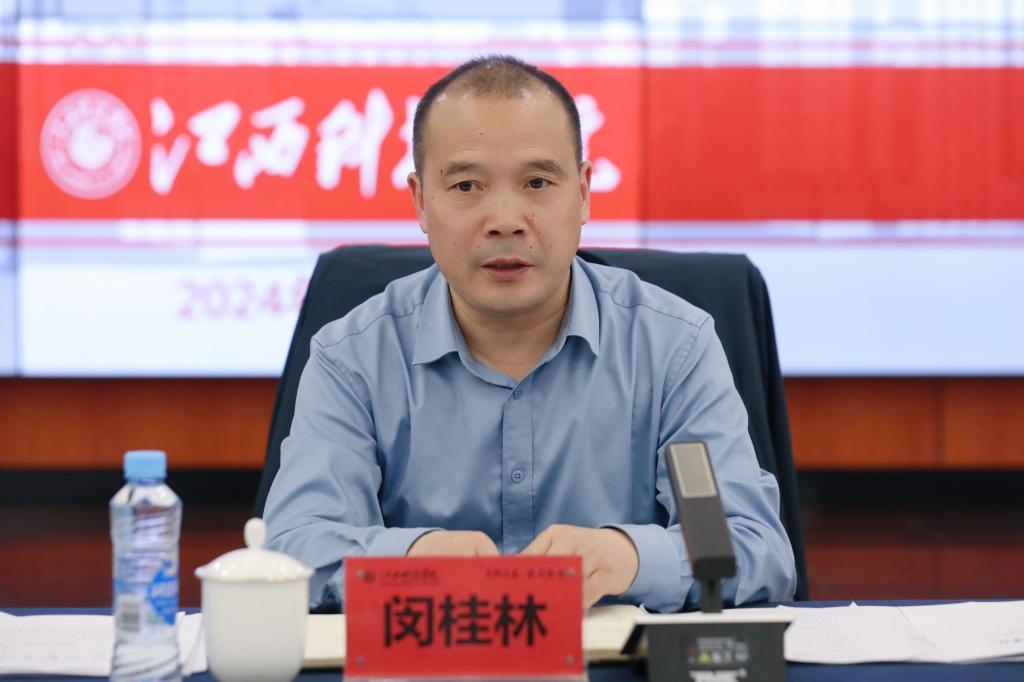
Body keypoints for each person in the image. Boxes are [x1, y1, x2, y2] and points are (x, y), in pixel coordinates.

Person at [264, 55, 797, 613]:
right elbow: (291, 548)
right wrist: (416, 558)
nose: (505, 220)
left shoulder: (673, 347)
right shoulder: (352, 356)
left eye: (537, 182)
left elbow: (756, 548)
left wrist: (627, 557)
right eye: (466, 185)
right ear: (421, 201)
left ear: (583, 193)